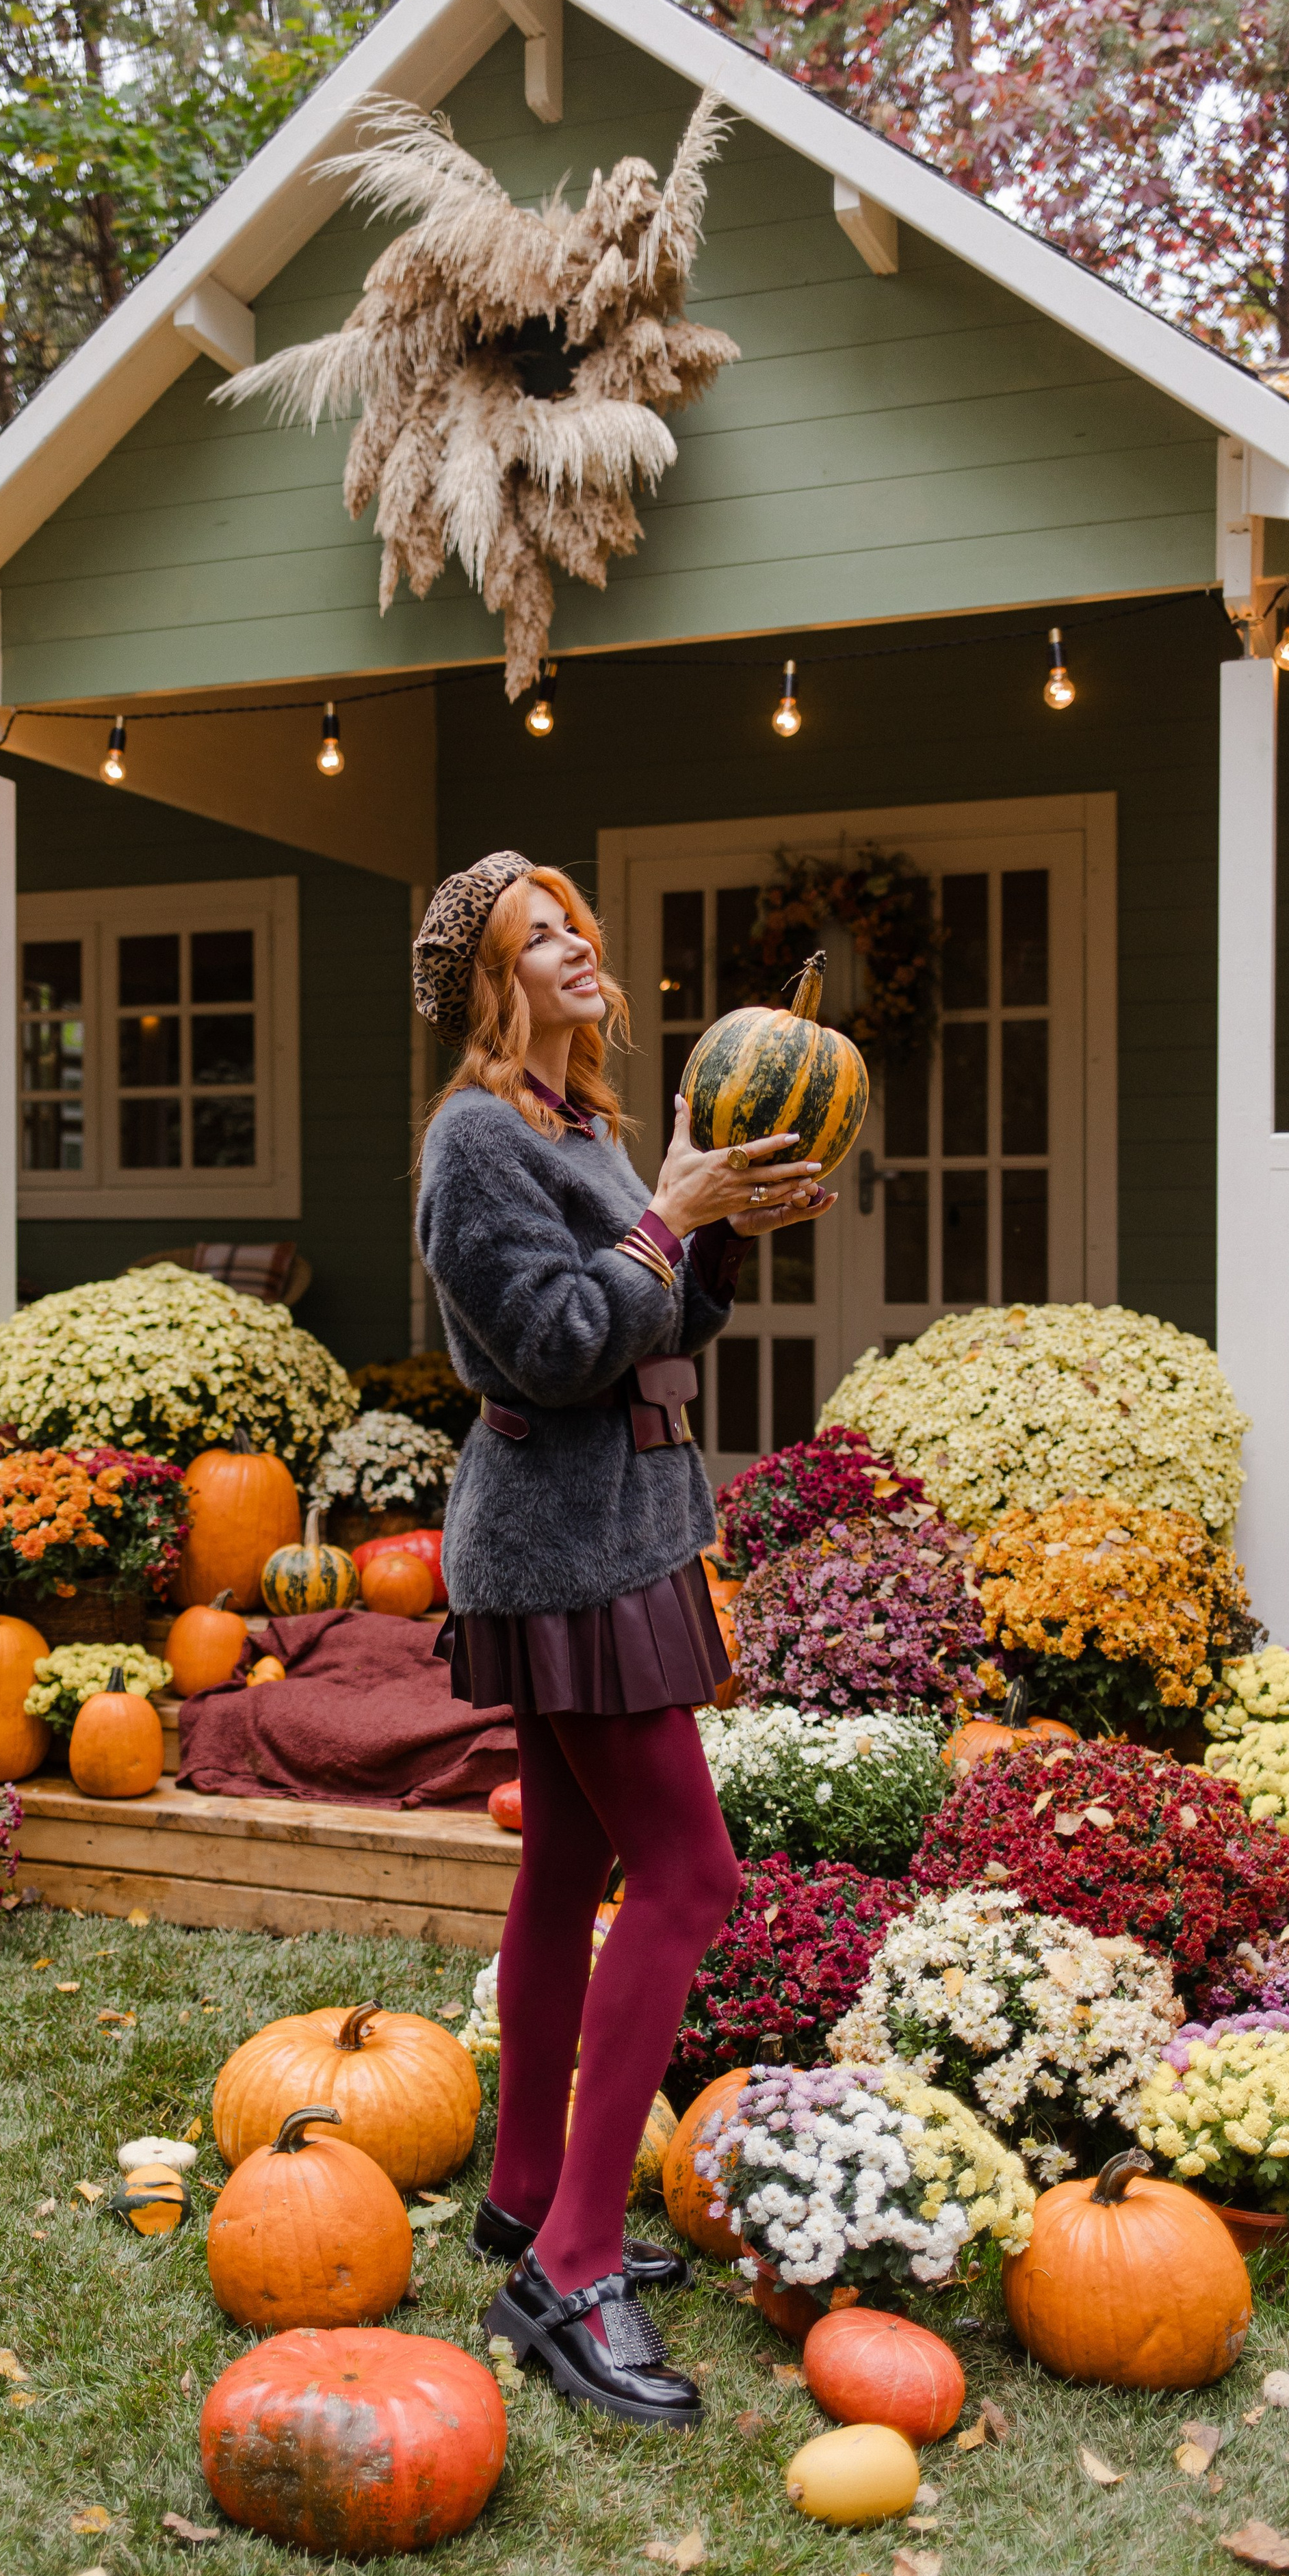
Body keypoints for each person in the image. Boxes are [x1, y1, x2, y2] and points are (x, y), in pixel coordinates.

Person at [413, 850, 838, 2428]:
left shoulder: (582, 1127)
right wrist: (668, 1214)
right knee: (688, 1875)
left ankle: (526, 2196)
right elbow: (555, 1344)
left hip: (625, 1528)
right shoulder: (473, 1139)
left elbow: (667, 1320)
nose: (577, 948)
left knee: (565, 1862)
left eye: (575, 924)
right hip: (558, 1546)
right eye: (541, 937)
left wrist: (714, 1226)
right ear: (491, 984)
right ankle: (568, 2269)